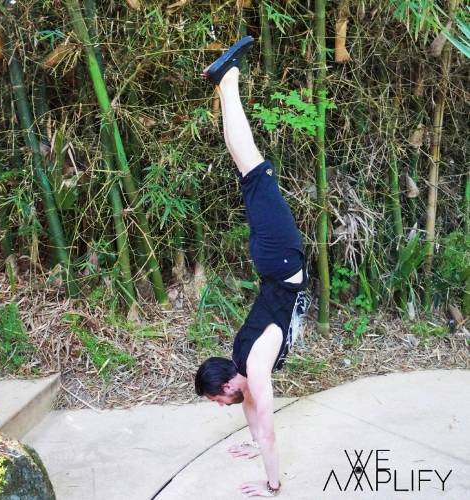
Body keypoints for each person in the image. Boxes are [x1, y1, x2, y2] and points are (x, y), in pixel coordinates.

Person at [194, 36, 311, 498]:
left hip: (281, 257)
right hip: (273, 260)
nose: (225, 405)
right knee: (249, 170)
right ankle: (227, 81)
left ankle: (228, 78)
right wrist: (250, 443)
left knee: (253, 169)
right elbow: (253, 418)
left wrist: (273, 485)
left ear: (227, 383)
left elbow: (269, 430)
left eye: (218, 399)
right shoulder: (244, 364)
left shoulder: (254, 367)